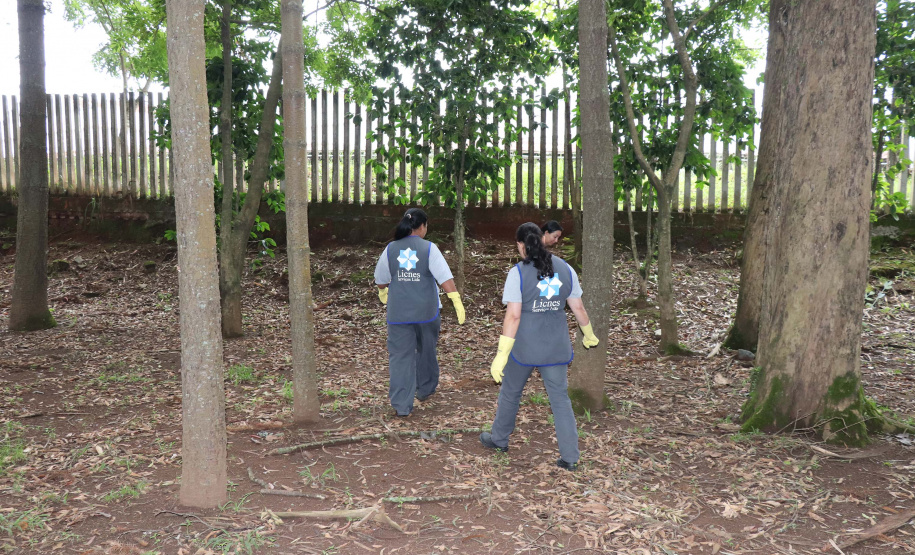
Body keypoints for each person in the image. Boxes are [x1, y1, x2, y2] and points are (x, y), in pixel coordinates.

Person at [480, 222, 599, 470]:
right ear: (542, 239)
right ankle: (570, 457)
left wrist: (501, 355)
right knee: (560, 400)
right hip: (556, 346)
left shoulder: (517, 273)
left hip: (524, 347)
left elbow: (513, 316)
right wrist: (588, 333)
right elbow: (578, 307)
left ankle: (499, 439)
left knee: (511, 392)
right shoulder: (566, 268)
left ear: (520, 245)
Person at [374, 208, 465, 417]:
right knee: (426, 350)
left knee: (400, 357)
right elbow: (445, 279)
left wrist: (383, 292)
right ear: (422, 226)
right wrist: (456, 301)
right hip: (426, 313)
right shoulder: (429, 248)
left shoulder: (390, 249)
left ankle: (401, 405)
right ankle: (425, 389)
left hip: (398, 314)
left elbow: (381, 280)